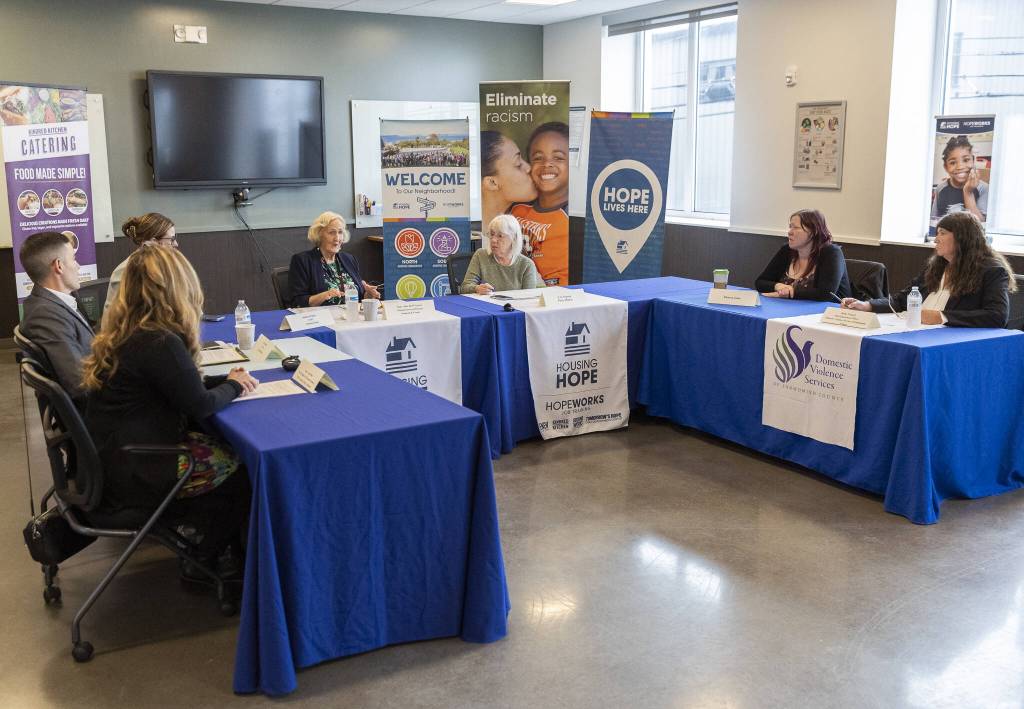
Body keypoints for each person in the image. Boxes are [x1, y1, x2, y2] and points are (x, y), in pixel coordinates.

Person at [82, 245, 258, 565]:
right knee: (246, 470)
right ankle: (205, 559)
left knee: (225, 449)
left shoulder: (128, 332)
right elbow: (200, 405)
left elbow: (177, 386)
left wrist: (226, 381)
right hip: (141, 469)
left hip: (114, 460)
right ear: (179, 288)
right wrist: (233, 385)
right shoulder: (159, 342)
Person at [841, 211, 1015, 328]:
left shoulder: (991, 271)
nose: (935, 240)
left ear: (963, 238)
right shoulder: (935, 266)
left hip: (947, 339)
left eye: (942, 233)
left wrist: (942, 317)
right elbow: (902, 300)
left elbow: (997, 316)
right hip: (912, 329)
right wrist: (867, 305)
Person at [19, 231, 93, 402]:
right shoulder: (45, 316)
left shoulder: (56, 302)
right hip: (102, 413)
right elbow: (80, 384)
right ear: (58, 266)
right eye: (74, 259)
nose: (78, 266)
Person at [511, 122, 570, 287]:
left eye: (558, 157)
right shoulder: (517, 209)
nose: (547, 164)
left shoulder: (573, 216)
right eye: (538, 158)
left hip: (555, 298)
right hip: (515, 294)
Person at [755, 209, 852, 301]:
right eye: (790, 227)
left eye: (796, 228)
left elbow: (826, 294)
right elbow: (760, 282)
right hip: (789, 309)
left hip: (828, 314)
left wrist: (789, 294)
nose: (789, 232)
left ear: (814, 232)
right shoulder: (786, 250)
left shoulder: (831, 252)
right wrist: (778, 286)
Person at [288, 211, 379, 307]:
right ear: (319, 235)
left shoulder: (349, 259)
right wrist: (326, 295)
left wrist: (368, 294)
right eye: (332, 232)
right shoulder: (302, 261)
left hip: (350, 317)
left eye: (340, 232)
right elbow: (297, 302)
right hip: (322, 318)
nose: (337, 238)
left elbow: (359, 297)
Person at [106, 212, 177, 311]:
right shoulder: (125, 271)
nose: (176, 244)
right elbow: (115, 318)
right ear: (153, 242)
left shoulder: (168, 265)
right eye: (172, 239)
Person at [460, 215, 544, 294]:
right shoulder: (480, 255)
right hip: (486, 307)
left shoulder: (526, 265)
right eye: (492, 234)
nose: (493, 240)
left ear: (513, 238)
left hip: (514, 308)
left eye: (500, 236)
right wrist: (476, 288)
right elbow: (464, 288)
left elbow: (529, 298)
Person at [480, 130, 537, 232]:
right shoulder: (466, 235)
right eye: (518, 165)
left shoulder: (533, 226)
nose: (529, 168)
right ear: (492, 183)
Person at [931, 135, 988, 226]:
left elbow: (981, 225)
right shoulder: (940, 188)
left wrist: (968, 192)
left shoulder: (983, 188)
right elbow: (934, 220)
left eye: (966, 160)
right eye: (953, 163)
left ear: (973, 161)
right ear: (946, 167)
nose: (960, 167)